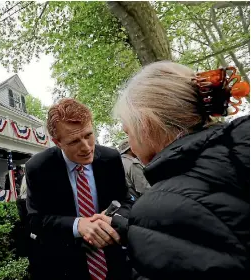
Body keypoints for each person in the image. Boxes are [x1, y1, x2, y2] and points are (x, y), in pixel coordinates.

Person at [89, 61, 249, 280]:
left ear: (145, 126)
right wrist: (135, 230)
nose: (130, 144)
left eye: (128, 132)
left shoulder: (159, 207)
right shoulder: (237, 153)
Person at [25, 98, 134, 280]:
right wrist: (78, 225)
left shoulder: (111, 158)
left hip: (113, 260)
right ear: (57, 142)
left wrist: (111, 219)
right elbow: (36, 220)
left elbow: (126, 201)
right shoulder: (38, 168)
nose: (86, 147)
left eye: (88, 135)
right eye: (74, 141)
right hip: (65, 264)